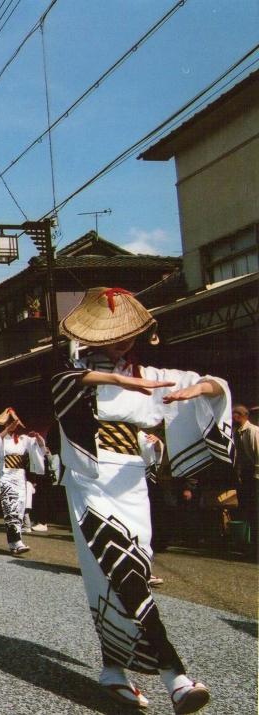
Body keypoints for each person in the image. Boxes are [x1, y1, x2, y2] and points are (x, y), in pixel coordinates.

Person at [52, 287, 232, 713]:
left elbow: (213, 384)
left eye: (128, 335)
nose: (122, 344)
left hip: (132, 483)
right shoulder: (75, 372)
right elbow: (63, 384)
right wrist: (118, 378)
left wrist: (199, 391)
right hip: (91, 481)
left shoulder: (149, 374)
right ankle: (177, 677)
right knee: (123, 569)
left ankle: (113, 669)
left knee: (119, 575)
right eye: (114, 336)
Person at [0, 408, 46, 555]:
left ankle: (15, 542)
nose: (14, 425)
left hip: (19, 476)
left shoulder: (23, 439)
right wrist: (7, 430)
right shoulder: (1, 437)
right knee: (10, 507)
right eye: (10, 423)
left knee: (20, 507)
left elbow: (38, 449)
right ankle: (16, 542)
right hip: (5, 476)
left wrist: (39, 440)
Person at [232, 404, 258, 544]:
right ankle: (250, 543)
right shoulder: (237, 433)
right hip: (245, 476)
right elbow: (238, 457)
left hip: (255, 476)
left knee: (255, 509)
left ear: (242, 416)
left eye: (234, 414)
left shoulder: (253, 431)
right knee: (247, 510)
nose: (232, 417)